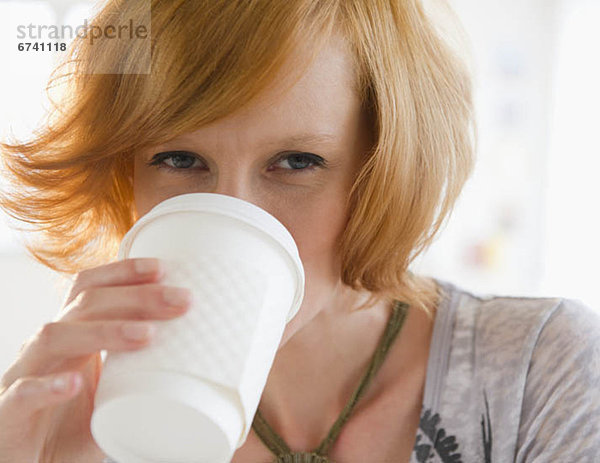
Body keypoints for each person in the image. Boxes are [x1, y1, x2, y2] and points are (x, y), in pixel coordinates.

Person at [0, 0, 598, 462]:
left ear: (381, 169)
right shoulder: (84, 414)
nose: (234, 210)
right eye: (179, 159)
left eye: (296, 162)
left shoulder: (538, 369)